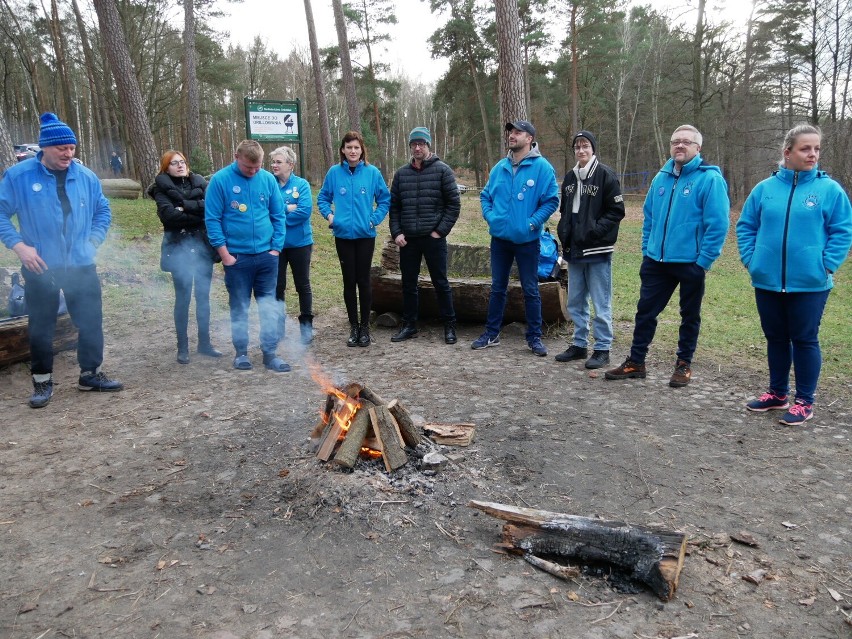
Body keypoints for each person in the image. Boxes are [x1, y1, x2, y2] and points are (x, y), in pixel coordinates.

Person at [0, 112, 123, 408]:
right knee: (42, 326)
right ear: (45, 149)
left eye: (72, 148)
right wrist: (19, 246)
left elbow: (102, 212)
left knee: (91, 321)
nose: (69, 153)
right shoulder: (19, 176)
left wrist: (93, 241)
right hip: (40, 267)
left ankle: (90, 375)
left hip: (81, 266)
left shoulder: (86, 177)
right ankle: (42, 382)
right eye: (62, 149)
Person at [736, 124, 852, 425]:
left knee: (804, 339)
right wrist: (752, 260)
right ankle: (777, 393)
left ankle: (804, 401)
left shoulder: (829, 190)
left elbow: (842, 231)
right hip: (767, 280)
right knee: (775, 337)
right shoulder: (764, 189)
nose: (812, 154)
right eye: (805, 148)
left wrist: (825, 265)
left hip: (810, 283)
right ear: (787, 152)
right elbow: (746, 226)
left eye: (816, 149)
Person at [605, 124, 729, 387]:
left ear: (698, 148)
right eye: (675, 142)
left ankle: (683, 365)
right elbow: (649, 216)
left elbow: (718, 224)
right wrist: (646, 249)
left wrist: (703, 262)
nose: (679, 146)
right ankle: (636, 361)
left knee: (689, 315)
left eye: (686, 142)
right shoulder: (661, 178)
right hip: (656, 262)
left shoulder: (710, 179)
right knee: (645, 313)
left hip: (690, 263)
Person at [472, 120, 559, 356]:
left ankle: (534, 338)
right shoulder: (499, 167)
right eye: (510, 132)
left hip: (528, 240)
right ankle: (492, 333)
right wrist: (492, 218)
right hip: (500, 239)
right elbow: (485, 196)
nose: (512, 135)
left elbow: (551, 200)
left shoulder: (542, 168)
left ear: (529, 138)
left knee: (530, 289)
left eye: (518, 132)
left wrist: (532, 223)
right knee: (498, 287)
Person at [205, 139, 289, 372]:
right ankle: (241, 352)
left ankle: (270, 353)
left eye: (257, 167)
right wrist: (224, 254)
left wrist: (276, 248)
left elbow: (278, 214)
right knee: (239, 306)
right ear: (236, 157)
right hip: (237, 258)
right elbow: (212, 220)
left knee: (268, 305)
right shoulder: (220, 181)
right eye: (248, 167)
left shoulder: (267, 180)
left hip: (266, 256)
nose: (253, 171)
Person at [555, 130, 625, 369]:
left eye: (585, 146)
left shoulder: (606, 175)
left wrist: (594, 231)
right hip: (574, 250)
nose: (581, 150)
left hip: (597, 250)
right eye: (577, 147)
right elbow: (565, 211)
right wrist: (565, 233)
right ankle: (579, 344)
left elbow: (617, 211)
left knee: (600, 301)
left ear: (593, 149)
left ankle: (603, 348)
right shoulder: (570, 178)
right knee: (575, 300)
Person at [317, 131, 390, 347]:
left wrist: (373, 219)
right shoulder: (334, 173)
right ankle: (353, 327)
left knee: (363, 280)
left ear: (362, 150)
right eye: (349, 147)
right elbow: (322, 198)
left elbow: (384, 199)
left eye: (356, 147)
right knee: (349, 281)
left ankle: (365, 327)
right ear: (342, 150)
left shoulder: (372, 173)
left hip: (365, 235)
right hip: (343, 236)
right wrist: (330, 216)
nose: (353, 151)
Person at [389, 126, 461, 345]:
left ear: (428, 145)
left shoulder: (443, 171)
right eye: (414, 144)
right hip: (408, 239)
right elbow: (395, 207)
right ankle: (409, 325)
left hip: (433, 238)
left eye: (421, 144)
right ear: (410, 146)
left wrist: (440, 231)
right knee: (408, 283)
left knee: (441, 282)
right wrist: (397, 232)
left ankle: (450, 325)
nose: (417, 148)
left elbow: (454, 204)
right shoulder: (401, 174)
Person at [148, 150, 222, 365]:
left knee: (203, 298)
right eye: (174, 163)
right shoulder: (160, 189)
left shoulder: (201, 183)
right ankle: (183, 348)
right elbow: (169, 216)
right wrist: (194, 211)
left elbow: (210, 209)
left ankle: (205, 344)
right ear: (166, 168)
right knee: (183, 300)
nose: (180, 166)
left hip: (202, 249)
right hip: (178, 249)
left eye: (182, 162)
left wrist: (184, 207)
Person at [270, 146, 315, 344]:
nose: (274, 165)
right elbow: (264, 209)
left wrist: (278, 216)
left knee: (302, 285)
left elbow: (304, 211)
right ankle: (278, 328)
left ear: (290, 164)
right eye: (273, 162)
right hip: (276, 245)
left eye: (278, 162)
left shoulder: (302, 184)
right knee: (277, 286)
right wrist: (288, 207)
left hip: (300, 243)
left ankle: (306, 327)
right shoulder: (268, 184)